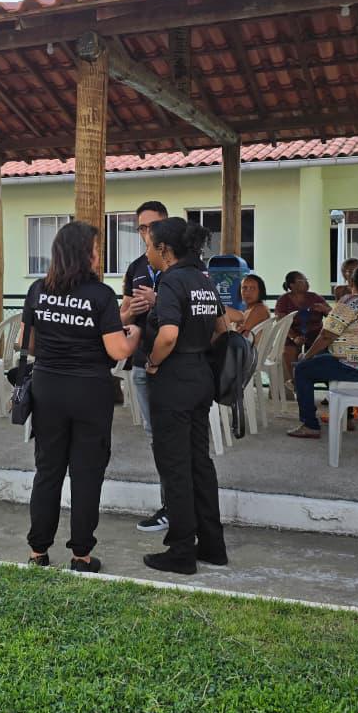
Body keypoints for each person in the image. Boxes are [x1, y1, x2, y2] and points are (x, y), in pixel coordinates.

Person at [25, 221, 139, 572]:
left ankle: (38, 551)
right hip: (89, 390)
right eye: (95, 247)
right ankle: (81, 555)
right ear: (82, 252)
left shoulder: (38, 289)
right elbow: (118, 349)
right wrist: (133, 333)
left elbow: (27, 343)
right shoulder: (100, 294)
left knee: (48, 470)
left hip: (47, 387)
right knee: (87, 473)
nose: (98, 254)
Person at [142, 218, 229, 575]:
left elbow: (167, 335)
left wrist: (151, 362)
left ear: (164, 250)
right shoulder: (204, 280)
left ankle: (180, 549)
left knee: (175, 467)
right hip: (200, 377)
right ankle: (212, 545)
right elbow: (221, 329)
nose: (146, 252)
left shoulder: (173, 281)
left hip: (174, 379)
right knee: (199, 463)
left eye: (149, 245)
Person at [120, 199, 171, 534]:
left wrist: (158, 301)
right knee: (156, 436)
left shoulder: (180, 266)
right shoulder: (137, 266)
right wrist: (130, 310)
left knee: (174, 436)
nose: (146, 232)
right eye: (141, 226)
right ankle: (169, 503)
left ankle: (175, 505)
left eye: (153, 225)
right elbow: (122, 313)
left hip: (171, 363)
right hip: (142, 364)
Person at [287, 264, 358, 439]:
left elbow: (326, 336)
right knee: (323, 360)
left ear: (352, 283)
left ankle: (309, 425)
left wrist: (305, 357)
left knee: (302, 370)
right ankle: (347, 418)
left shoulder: (351, 301)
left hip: (354, 367)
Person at [274, 271, 330, 394]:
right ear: (291, 285)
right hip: (293, 335)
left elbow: (332, 315)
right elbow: (282, 322)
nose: (306, 283)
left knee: (323, 353)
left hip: (315, 335)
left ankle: (329, 386)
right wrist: (294, 337)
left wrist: (324, 309)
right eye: (302, 280)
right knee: (288, 351)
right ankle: (296, 384)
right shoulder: (284, 300)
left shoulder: (315, 297)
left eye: (306, 280)